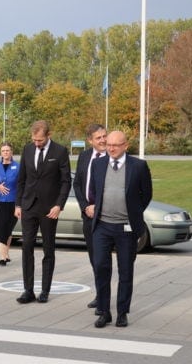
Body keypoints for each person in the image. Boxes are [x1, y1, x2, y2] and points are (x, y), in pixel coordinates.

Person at [90, 131, 152, 328]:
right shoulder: (98, 164)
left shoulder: (138, 166)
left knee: (125, 271)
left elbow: (146, 194)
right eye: (108, 144)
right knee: (100, 267)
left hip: (126, 228)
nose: (111, 148)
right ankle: (104, 311)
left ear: (126, 145)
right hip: (102, 226)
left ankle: (122, 312)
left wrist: (132, 213)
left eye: (116, 145)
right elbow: (94, 190)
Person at [14, 120, 71, 304]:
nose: (36, 143)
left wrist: (58, 205)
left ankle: (45, 290)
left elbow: (65, 181)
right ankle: (28, 290)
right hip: (29, 206)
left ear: (48, 135)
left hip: (49, 209)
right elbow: (21, 179)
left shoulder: (60, 152)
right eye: (34, 140)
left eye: (40, 140)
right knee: (27, 247)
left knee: (48, 249)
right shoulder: (28, 149)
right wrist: (18, 204)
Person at [73, 124, 107, 312]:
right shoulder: (84, 157)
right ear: (90, 141)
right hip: (88, 216)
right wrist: (85, 207)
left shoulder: (112, 157)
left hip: (107, 217)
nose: (102, 140)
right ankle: (100, 294)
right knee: (95, 258)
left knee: (104, 260)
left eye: (104, 136)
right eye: (98, 137)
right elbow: (77, 184)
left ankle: (105, 297)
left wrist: (98, 207)